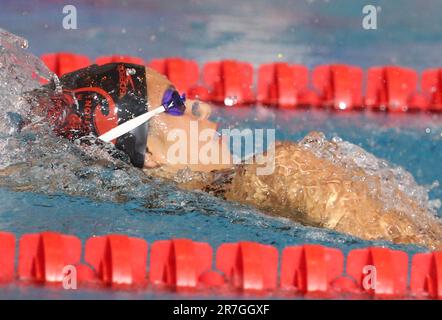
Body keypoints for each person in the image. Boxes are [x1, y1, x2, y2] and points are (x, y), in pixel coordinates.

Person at [30, 62, 442, 250]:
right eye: (175, 104)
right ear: (148, 152)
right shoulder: (281, 169)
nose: (201, 108)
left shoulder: (167, 213)